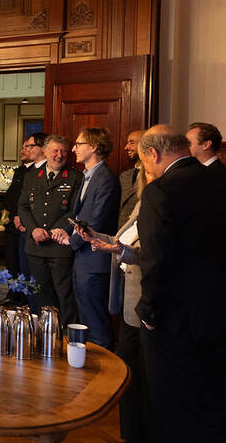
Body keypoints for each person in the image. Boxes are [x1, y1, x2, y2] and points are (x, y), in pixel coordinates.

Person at [135, 125, 225, 441]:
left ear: (153, 154)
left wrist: (147, 312)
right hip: (216, 310)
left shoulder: (161, 191)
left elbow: (156, 259)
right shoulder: (218, 179)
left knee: (171, 400)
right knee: (212, 394)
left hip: (175, 317)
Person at [73, 169, 153, 443]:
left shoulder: (156, 205)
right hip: (129, 298)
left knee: (140, 374)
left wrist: (116, 250)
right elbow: (123, 241)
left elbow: (146, 254)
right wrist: (97, 236)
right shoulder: (142, 204)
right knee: (130, 372)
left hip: (144, 299)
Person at [54, 128, 120, 350]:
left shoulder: (106, 179)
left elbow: (97, 222)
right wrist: (65, 231)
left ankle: (108, 374)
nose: (73, 149)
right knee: (85, 319)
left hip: (95, 260)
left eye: (78, 144)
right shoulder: (88, 175)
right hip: (83, 259)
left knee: (97, 322)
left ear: (93, 147)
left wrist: (70, 242)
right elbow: (79, 217)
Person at [17, 134, 83, 323]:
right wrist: (33, 230)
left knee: (64, 293)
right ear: (45, 152)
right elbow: (22, 206)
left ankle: (66, 334)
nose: (59, 155)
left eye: (63, 151)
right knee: (41, 292)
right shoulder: (31, 176)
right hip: (35, 245)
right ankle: (47, 331)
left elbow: (74, 210)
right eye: (55, 150)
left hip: (59, 245)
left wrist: (56, 229)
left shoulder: (75, 177)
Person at [2, 133, 46, 306]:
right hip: (13, 221)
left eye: (29, 146)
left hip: (28, 226)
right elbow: (13, 196)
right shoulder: (21, 171)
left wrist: (23, 218)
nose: (24, 150)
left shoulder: (38, 171)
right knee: (13, 262)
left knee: (27, 268)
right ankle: (14, 294)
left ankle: (25, 299)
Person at [118, 130, 144, 229]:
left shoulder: (153, 177)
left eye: (131, 142)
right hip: (118, 235)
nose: (126, 147)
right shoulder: (124, 176)